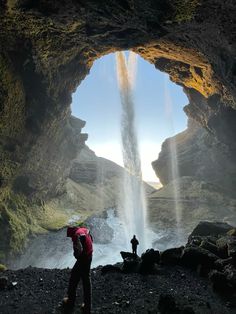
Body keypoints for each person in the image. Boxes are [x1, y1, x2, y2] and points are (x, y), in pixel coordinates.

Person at [63, 226, 93, 314]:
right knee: (86, 280)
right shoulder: (84, 230)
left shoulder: (76, 235)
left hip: (83, 258)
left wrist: (76, 255)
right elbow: (91, 238)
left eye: (69, 236)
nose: (70, 238)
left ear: (71, 232)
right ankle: (87, 306)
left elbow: (78, 251)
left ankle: (70, 301)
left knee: (73, 278)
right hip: (89, 255)